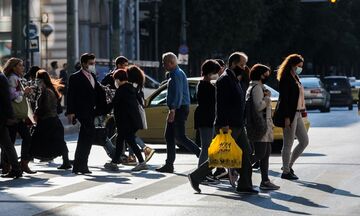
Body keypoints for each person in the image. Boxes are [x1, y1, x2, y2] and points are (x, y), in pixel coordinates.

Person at [188, 52, 257, 194]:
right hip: (228, 125)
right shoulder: (225, 80)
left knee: (246, 153)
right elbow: (221, 105)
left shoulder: (234, 78)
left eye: (245, 65)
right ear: (233, 63)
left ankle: (245, 185)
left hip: (237, 124)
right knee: (220, 157)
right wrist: (224, 124)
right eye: (242, 64)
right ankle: (196, 176)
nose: (244, 67)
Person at [156, 52, 201, 173]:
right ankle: (169, 164)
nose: (163, 65)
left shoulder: (176, 74)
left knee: (180, 137)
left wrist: (173, 110)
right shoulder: (176, 73)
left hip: (178, 109)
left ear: (171, 62)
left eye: (164, 63)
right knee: (169, 136)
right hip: (178, 108)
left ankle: (201, 155)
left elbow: (178, 94)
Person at [67, 53, 106, 174]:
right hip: (82, 111)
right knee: (86, 137)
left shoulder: (93, 76)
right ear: (83, 64)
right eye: (90, 63)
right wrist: (71, 112)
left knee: (86, 138)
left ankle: (80, 165)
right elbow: (70, 95)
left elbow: (97, 91)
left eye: (94, 63)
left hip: (91, 111)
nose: (93, 65)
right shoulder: (75, 77)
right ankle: (81, 165)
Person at [273, 54, 309, 180]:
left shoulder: (295, 77)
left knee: (304, 141)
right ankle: (286, 172)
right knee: (288, 143)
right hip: (289, 114)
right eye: (299, 66)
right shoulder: (285, 78)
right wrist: (287, 117)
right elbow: (285, 100)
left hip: (298, 113)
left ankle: (288, 166)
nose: (300, 68)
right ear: (293, 65)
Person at [104, 69, 148, 171]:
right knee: (120, 141)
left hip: (126, 122)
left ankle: (142, 162)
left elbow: (112, 104)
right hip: (131, 121)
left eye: (115, 80)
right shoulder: (131, 88)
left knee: (130, 141)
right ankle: (114, 162)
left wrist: (100, 110)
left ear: (118, 80)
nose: (115, 82)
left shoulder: (121, 90)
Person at [246, 64, 280, 190]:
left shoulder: (260, 87)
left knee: (266, 153)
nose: (267, 76)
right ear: (260, 74)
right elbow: (258, 106)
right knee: (260, 154)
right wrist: (267, 98)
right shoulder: (256, 88)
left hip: (264, 125)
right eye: (266, 74)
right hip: (259, 126)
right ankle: (239, 168)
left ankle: (265, 181)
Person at [29, 70, 71, 170]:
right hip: (52, 120)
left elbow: (46, 107)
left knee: (34, 140)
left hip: (48, 121)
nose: (36, 82)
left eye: (37, 80)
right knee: (58, 142)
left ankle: (25, 161)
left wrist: (37, 112)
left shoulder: (47, 91)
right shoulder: (48, 90)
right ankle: (66, 162)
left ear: (41, 80)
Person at [2, 58, 36, 174]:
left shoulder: (16, 78)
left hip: (17, 115)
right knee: (9, 142)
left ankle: (20, 164)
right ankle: (11, 166)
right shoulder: (12, 78)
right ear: (14, 67)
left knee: (14, 141)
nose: (22, 68)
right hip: (14, 115)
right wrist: (24, 92)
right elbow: (11, 95)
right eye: (20, 65)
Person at [126, 65, 156, 163]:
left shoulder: (132, 86)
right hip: (138, 113)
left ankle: (145, 148)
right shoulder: (139, 85)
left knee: (129, 135)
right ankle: (131, 157)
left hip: (133, 114)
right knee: (130, 135)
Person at [194, 60, 220, 166]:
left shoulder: (204, 84)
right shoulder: (206, 86)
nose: (217, 75)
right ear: (210, 72)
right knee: (206, 147)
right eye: (216, 72)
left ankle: (204, 172)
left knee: (207, 146)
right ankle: (200, 173)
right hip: (206, 119)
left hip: (206, 118)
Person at [0, 70, 23, 178]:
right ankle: (16, 169)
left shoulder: (1, 78)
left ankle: (16, 168)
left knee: (7, 145)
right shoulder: (2, 77)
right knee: (8, 145)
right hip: (2, 117)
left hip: (1, 117)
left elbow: (6, 99)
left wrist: (9, 116)